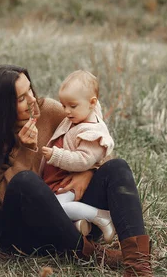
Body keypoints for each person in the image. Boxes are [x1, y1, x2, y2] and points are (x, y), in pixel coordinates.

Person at [0, 65, 167, 277]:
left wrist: (86, 172)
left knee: (117, 167)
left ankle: (138, 268)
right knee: (25, 181)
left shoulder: (50, 110)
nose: (32, 99)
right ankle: (93, 254)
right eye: (22, 98)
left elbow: (96, 141)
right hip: (25, 233)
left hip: (76, 216)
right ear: (0, 107)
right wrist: (25, 151)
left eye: (30, 89)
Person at [40, 70, 115, 243]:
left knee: (54, 208)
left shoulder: (92, 132)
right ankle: (80, 225)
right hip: (57, 181)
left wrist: (56, 155)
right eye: (63, 105)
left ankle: (101, 216)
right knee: (53, 210)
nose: (66, 111)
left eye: (72, 106)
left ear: (92, 103)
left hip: (69, 181)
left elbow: (83, 160)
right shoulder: (79, 116)